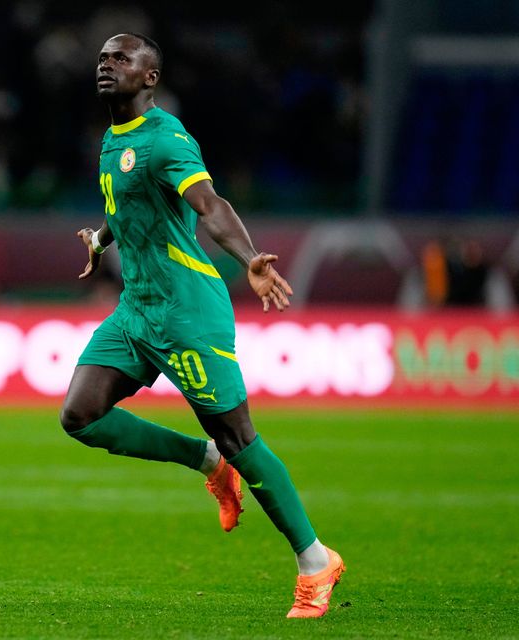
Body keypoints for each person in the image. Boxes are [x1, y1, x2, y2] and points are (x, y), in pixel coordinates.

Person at [59, 33, 344, 619]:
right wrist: (102, 238)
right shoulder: (113, 139)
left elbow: (210, 205)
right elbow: (128, 205)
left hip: (187, 313)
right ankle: (206, 460)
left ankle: (316, 560)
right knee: (80, 416)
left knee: (241, 438)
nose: (106, 65)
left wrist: (250, 259)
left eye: (121, 58)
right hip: (137, 309)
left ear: (150, 77)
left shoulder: (166, 139)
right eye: (103, 57)